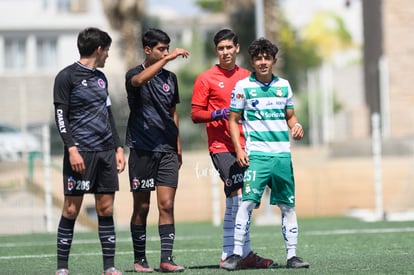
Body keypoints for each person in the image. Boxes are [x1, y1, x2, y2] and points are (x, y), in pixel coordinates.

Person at [221, 37, 310, 270]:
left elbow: (290, 116)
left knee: (288, 206)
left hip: (282, 156)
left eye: (267, 58)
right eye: (258, 58)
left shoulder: (284, 86)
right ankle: (236, 255)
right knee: (247, 203)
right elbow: (233, 120)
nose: (262, 62)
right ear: (252, 60)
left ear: (273, 60)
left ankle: (292, 256)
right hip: (257, 156)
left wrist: (296, 126)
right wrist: (239, 149)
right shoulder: (243, 87)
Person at [191, 29, 274, 269]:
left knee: (243, 199)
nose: (225, 52)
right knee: (237, 197)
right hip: (222, 147)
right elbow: (196, 114)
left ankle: (238, 252)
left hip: (250, 146)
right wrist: (219, 113)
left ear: (237, 48)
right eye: (221, 48)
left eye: (229, 47)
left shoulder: (249, 76)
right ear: (216, 51)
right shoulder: (206, 78)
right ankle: (233, 253)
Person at [53, 27, 126, 275]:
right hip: (80, 153)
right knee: (71, 209)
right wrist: (71, 148)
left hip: (105, 152)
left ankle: (109, 267)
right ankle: (62, 267)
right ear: (98, 49)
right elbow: (61, 116)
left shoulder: (101, 78)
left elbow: (108, 115)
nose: (108, 55)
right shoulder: (66, 77)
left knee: (105, 209)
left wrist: (117, 146)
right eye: (107, 50)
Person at [125, 28, 189, 273]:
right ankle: (140, 259)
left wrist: (178, 146)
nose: (165, 52)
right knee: (142, 207)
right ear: (148, 50)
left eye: (167, 48)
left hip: (167, 151)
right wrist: (167, 58)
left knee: (167, 205)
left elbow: (173, 113)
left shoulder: (171, 79)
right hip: (142, 149)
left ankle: (166, 260)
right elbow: (139, 82)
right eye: (161, 49)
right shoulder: (134, 74)